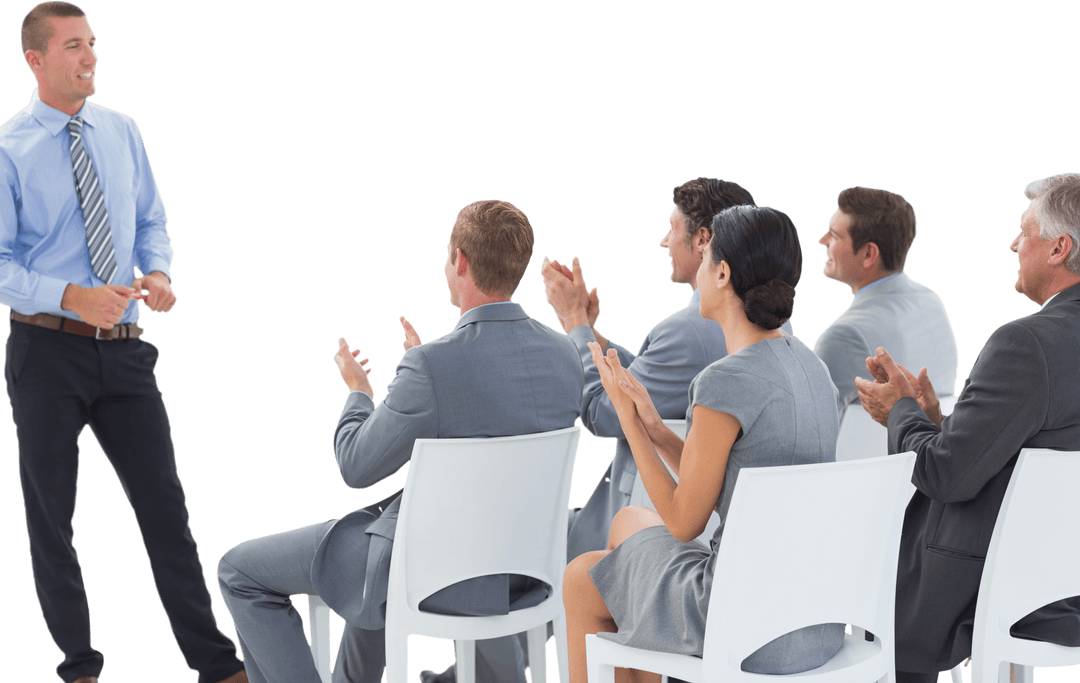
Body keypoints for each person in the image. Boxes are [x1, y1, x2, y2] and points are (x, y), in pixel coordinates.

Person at [420, 178, 780, 683]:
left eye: (672, 228)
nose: (664, 240)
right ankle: (474, 672)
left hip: (653, 515)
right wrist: (591, 333)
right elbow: (649, 381)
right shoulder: (759, 342)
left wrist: (572, 323)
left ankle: (486, 676)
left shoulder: (688, 330)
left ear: (706, 244)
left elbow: (602, 412)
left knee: (511, 537)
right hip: (723, 540)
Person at [217, 199, 585, 683]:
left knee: (239, 570)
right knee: (377, 548)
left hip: (439, 573)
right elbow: (490, 414)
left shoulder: (431, 367)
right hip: (527, 570)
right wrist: (419, 379)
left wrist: (361, 393)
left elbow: (355, 466)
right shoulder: (565, 354)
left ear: (459, 261)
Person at [0, 3, 246, 682]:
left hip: (126, 349)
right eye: (74, 46)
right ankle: (80, 666)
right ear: (36, 59)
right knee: (52, 512)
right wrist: (68, 294)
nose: (90, 58)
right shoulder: (8, 148)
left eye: (93, 44)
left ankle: (217, 663)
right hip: (45, 351)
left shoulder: (122, 130)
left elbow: (149, 220)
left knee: (165, 504)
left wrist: (159, 271)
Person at [563, 205, 844, 683]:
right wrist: (654, 426)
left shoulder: (725, 381)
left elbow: (682, 520)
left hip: (743, 616)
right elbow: (733, 473)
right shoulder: (812, 367)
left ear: (722, 272)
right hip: (814, 615)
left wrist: (628, 420)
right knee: (628, 522)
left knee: (581, 580)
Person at [856, 173, 1080, 683]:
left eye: (1025, 232)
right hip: (1067, 589)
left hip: (985, 592)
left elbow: (945, 475)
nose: (1013, 243)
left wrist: (901, 409)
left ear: (1059, 248)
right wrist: (937, 421)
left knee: (838, 569)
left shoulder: (1029, 344)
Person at [814, 186, 958, 410]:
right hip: (927, 441)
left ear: (869, 254)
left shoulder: (842, 337)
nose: (822, 241)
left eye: (834, 235)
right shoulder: (932, 303)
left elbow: (814, 432)